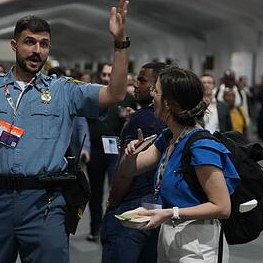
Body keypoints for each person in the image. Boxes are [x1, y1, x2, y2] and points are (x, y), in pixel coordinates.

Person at [0, 0, 131, 263]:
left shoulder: (63, 90)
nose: (37, 50)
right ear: (14, 45)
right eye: (29, 42)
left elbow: (116, 94)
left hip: (45, 206)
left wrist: (120, 43)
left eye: (44, 44)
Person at [118, 67, 240, 262]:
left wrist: (170, 212)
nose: (152, 98)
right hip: (170, 234)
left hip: (199, 244)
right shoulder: (168, 137)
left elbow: (223, 207)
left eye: (156, 92)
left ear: (168, 103)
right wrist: (131, 153)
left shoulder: (201, 146)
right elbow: (128, 170)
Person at [101, 62, 167, 263]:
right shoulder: (170, 120)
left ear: (157, 87)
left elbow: (125, 172)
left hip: (132, 204)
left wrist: (112, 204)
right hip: (158, 205)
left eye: (142, 80)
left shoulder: (140, 120)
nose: (135, 84)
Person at [87, 63, 130, 241]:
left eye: (109, 74)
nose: (106, 78)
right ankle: (95, 227)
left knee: (115, 189)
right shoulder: (92, 95)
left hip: (115, 149)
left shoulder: (126, 98)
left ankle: (111, 227)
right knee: (95, 191)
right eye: (104, 75)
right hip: (96, 149)